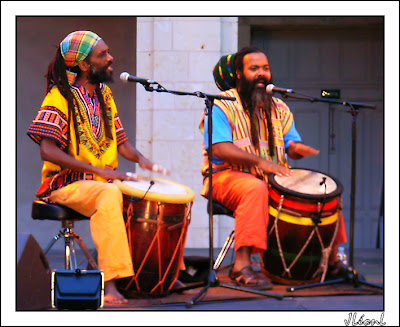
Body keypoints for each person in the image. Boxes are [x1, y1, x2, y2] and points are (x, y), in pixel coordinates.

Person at [199, 46, 348, 289]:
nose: (261, 73)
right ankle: (241, 266)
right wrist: (261, 162)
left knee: (324, 191)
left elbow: (290, 143)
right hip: (225, 177)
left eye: (265, 68)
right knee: (254, 188)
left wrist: (296, 149)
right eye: (254, 68)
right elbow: (219, 148)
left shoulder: (278, 107)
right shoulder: (221, 106)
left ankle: (331, 261)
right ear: (238, 73)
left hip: (270, 179)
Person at [27, 31, 158, 304]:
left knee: (151, 194)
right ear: (85, 65)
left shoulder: (104, 95)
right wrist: (101, 172)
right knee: (109, 194)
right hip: (65, 184)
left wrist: (142, 159)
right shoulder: (59, 96)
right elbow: (47, 149)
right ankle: (110, 284)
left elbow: (121, 144)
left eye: (108, 52)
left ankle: (159, 275)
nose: (111, 58)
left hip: (101, 182)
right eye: (103, 55)